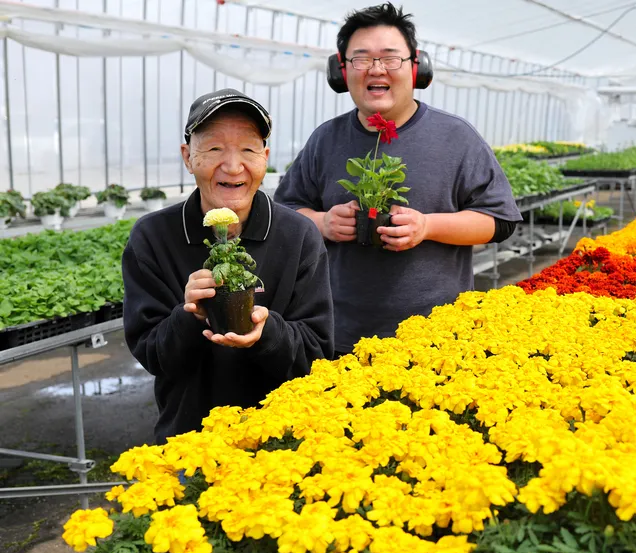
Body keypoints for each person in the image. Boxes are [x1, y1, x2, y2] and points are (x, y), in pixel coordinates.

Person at [275, 2, 522, 357]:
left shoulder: (456, 136)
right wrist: (323, 222)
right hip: (340, 336)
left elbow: (499, 221)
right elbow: (285, 212)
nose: (377, 69)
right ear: (340, 70)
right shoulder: (325, 139)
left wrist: (426, 226)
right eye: (361, 59)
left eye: (390, 57)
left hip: (439, 339)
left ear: (416, 67)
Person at [122, 89, 335, 443]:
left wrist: (266, 333)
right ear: (188, 157)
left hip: (284, 440)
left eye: (249, 149)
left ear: (265, 158)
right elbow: (151, 354)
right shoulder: (153, 236)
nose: (233, 166)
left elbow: (316, 353)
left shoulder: (298, 236)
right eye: (214, 149)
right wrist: (189, 315)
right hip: (191, 440)